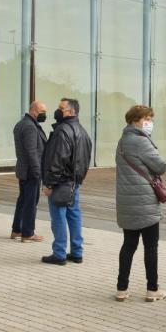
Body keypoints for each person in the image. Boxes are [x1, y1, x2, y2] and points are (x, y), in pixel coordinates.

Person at [114, 105, 166, 302]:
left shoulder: (122, 141)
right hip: (145, 202)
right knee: (150, 247)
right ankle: (152, 289)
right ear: (135, 120)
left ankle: (121, 288)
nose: (149, 122)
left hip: (127, 201)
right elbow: (161, 166)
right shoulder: (141, 142)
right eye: (147, 118)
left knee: (128, 245)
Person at [40, 98, 92, 265]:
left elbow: (57, 160)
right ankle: (77, 252)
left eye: (61, 108)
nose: (57, 111)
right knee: (74, 215)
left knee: (59, 217)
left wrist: (49, 183)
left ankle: (59, 253)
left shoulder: (62, 131)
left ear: (71, 111)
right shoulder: (83, 131)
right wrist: (79, 179)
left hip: (60, 182)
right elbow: (86, 159)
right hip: (74, 182)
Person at [11, 101, 48, 243]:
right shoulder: (30, 127)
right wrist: (38, 172)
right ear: (33, 110)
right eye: (42, 111)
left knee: (23, 200)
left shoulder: (22, 123)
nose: (44, 115)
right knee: (30, 202)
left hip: (24, 169)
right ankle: (28, 232)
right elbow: (31, 152)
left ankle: (17, 229)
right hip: (31, 171)